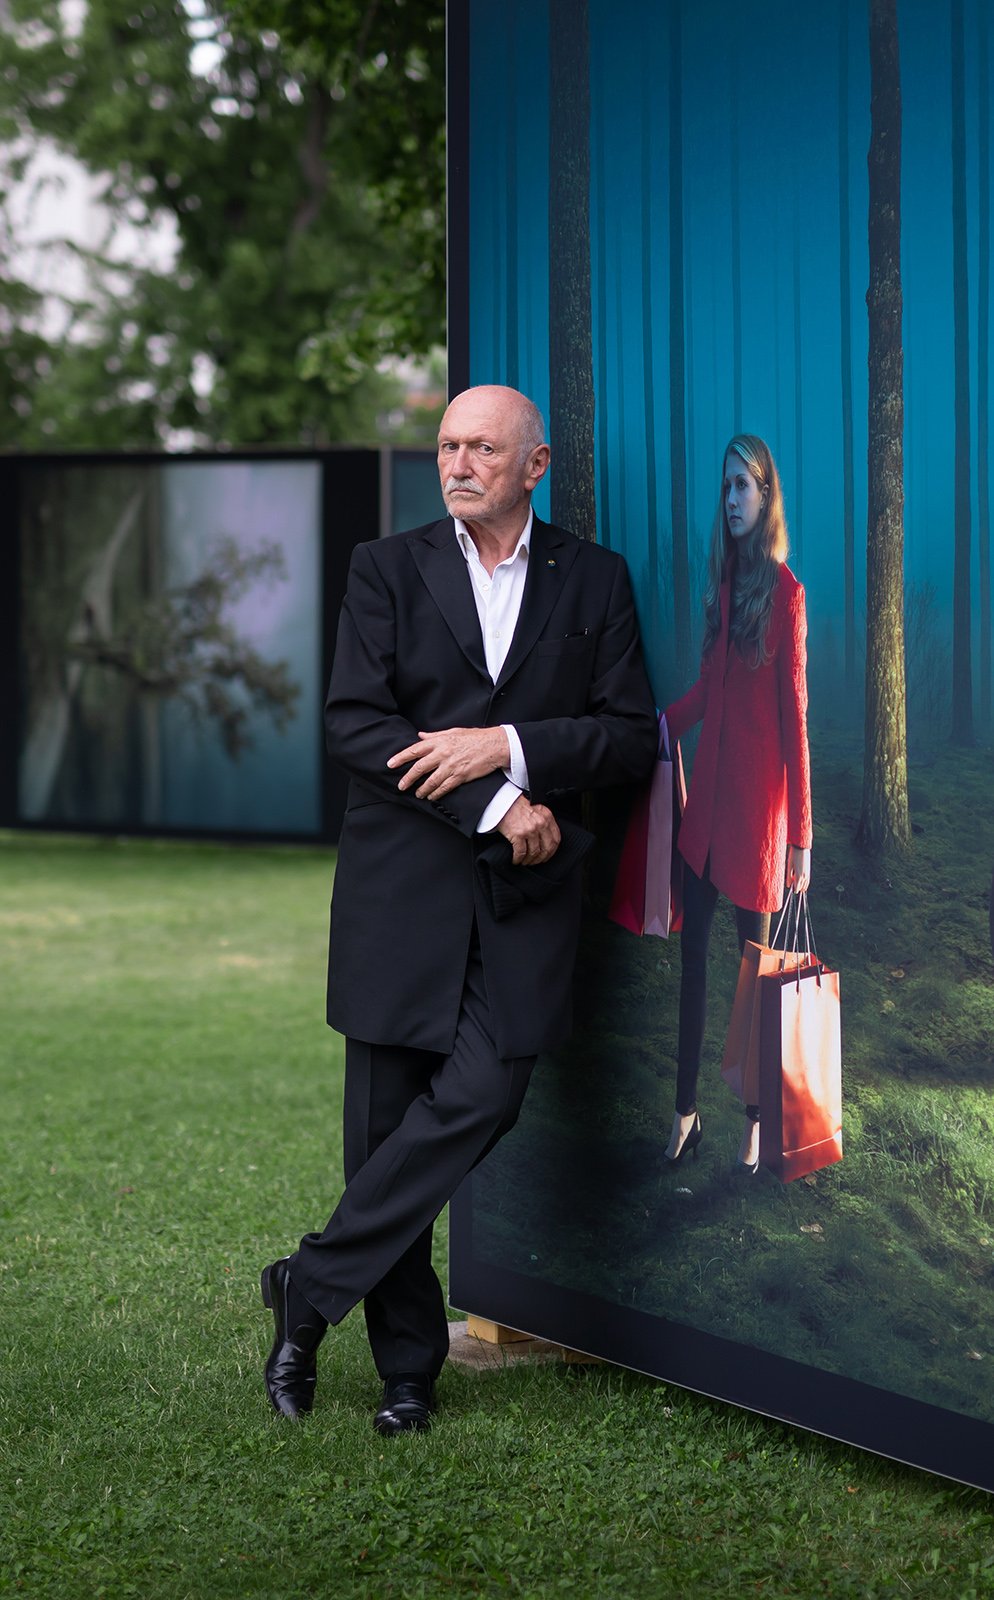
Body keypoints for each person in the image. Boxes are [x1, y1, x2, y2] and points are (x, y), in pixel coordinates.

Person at [260, 384, 658, 1432]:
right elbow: (357, 724)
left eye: (482, 447)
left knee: (485, 1094)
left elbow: (627, 736)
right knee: (383, 1132)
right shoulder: (385, 568)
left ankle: (308, 1284)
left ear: (535, 465)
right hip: (400, 889)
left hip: (525, 896)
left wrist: (509, 745)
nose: (457, 463)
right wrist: (494, 800)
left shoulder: (595, 578)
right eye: (446, 445)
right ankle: (407, 1374)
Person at [662, 434, 812, 1173]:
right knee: (692, 959)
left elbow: (795, 722)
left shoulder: (786, 595)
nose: (730, 500)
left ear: (765, 495)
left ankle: (755, 1122)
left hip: (758, 818)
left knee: (756, 973)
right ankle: (685, 1115)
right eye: (724, 487)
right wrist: (659, 725)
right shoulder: (721, 585)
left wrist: (801, 839)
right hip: (708, 807)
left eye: (741, 487)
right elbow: (707, 690)